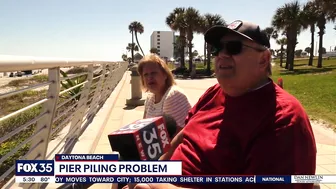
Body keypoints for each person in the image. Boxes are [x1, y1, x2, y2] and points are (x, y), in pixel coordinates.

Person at [126, 20, 317, 189]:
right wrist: (156, 169)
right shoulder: (213, 93)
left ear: (263, 59)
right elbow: (186, 133)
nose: (222, 55)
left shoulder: (283, 119)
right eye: (217, 49)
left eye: (233, 47)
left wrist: (160, 186)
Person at [138, 53, 192, 134]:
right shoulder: (150, 99)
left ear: (165, 75)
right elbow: (143, 131)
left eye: (154, 73)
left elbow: (176, 138)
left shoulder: (173, 96)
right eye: (145, 75)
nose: (149, 78)